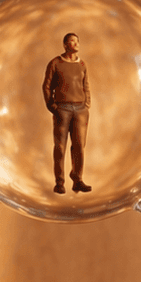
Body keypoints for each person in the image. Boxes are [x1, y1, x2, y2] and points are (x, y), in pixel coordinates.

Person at [42, 32, 91, 194]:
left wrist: (87, 104)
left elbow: (86, 85)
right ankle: (59, 182)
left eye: (77, 41)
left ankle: (77, 179)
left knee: (79, 147)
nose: (76, 44)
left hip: (80, 110)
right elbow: (47, 86)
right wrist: (52, 106)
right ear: (65, 45)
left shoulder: (82, 64)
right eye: (72, 41)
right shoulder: (55, 63)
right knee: (60, 147)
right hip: (62, 109)